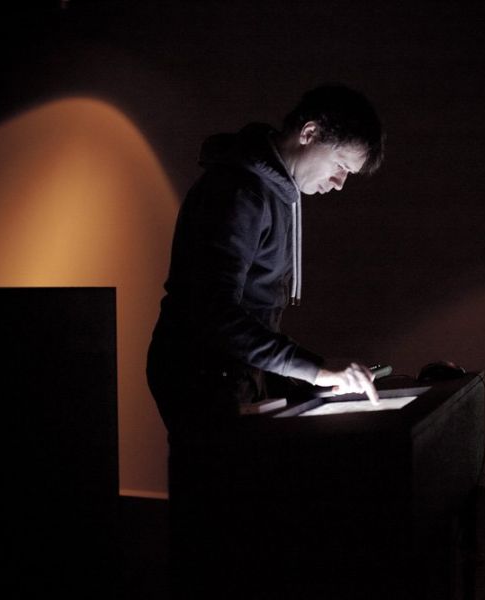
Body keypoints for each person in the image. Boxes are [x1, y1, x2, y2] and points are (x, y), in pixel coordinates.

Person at [145, 85, 385, 596]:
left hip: (226, 372)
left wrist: (314, 370)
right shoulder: (239, 192)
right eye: (340, 165)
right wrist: (314, 369)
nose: (340, 183)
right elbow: (213, 313)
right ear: (310, 133)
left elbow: (252, 314)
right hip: (200, 376)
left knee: (236, 525)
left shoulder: (275, 192)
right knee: (215, 530)